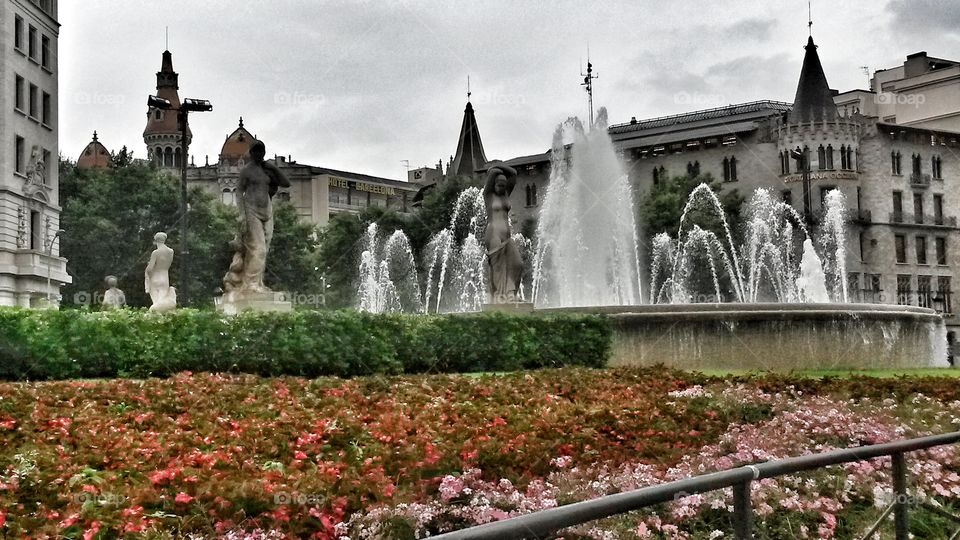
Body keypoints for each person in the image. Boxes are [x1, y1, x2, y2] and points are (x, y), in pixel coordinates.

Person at [224, 140, 290, 293]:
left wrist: (272, 167)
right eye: (256, 151)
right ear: (251, 153)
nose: (259, 154)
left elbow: (285, 183)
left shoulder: (266, 170)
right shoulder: (247, 170)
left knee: (264, 248)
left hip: (267, 211)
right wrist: (242, 215)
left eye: (262, 151)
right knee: (257, 248)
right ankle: (251, 283)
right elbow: (239, 191)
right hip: (251, 211)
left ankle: (257, 282)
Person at [483, 163, 523, 303]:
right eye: (499, 185)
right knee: (498, 268)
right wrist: (493, 169)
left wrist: (498, 165)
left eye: (504, 185)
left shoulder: (506, 194)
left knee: (517, 264)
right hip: (493, 234)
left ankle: (511, 293)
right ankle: (501, 298)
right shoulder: (488, 195)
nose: (502, 187)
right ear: (493, 184)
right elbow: (492, 173)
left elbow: (513, 174)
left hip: (507, 236)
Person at [145, 231, 175, 311]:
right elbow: (169, 264)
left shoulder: (155, 252)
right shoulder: (171, 252)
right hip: (165, 277)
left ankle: (155, 319)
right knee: (162, 300)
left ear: (156, 240)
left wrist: (147, 269)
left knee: (156, 302)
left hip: (155, 277)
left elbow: (150, 268)